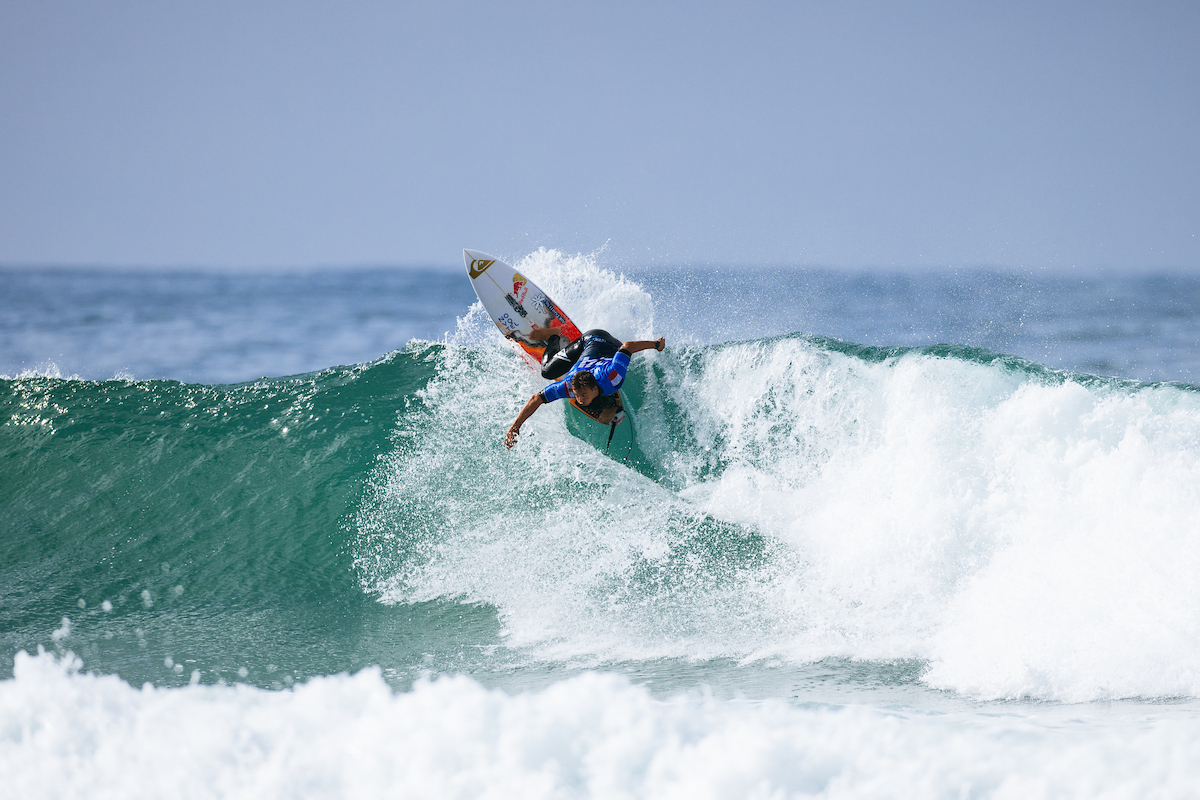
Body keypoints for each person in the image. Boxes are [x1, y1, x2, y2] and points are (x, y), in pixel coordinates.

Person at [504, 328, 666, 449]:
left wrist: (656, 344)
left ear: (595, 388)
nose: (579, 399)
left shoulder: (612, 377)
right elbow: (536, 399)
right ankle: (553, 337)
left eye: (583, 395)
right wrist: (515, 428)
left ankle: (607, 397)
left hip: (603, 341)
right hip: (588, 343)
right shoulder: (567, 386)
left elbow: (628, 346)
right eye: (577, 395)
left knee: (600, 398)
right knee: (546, 371)